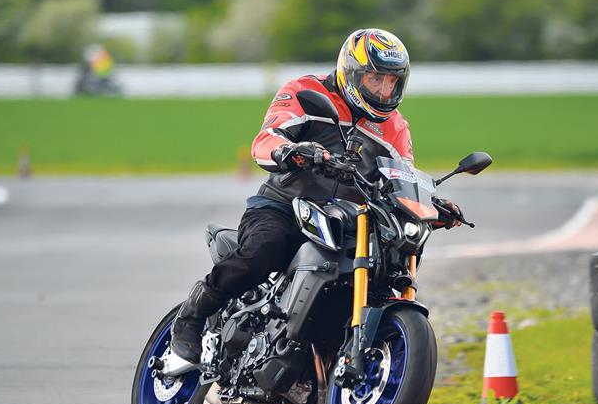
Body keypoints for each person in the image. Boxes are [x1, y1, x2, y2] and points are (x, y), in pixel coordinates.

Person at [168, 28, 461, 368]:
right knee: (266, 249)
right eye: (375, 79)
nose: (384, 90)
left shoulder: (396, 127)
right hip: (285, 204)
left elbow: (402, 174)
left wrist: (433, 204)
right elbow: (266, 138)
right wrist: (290, 151)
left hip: (346, 220)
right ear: (352, 72)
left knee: (389, 263)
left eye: (392, 81)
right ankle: (193, 314)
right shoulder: (307, 93)